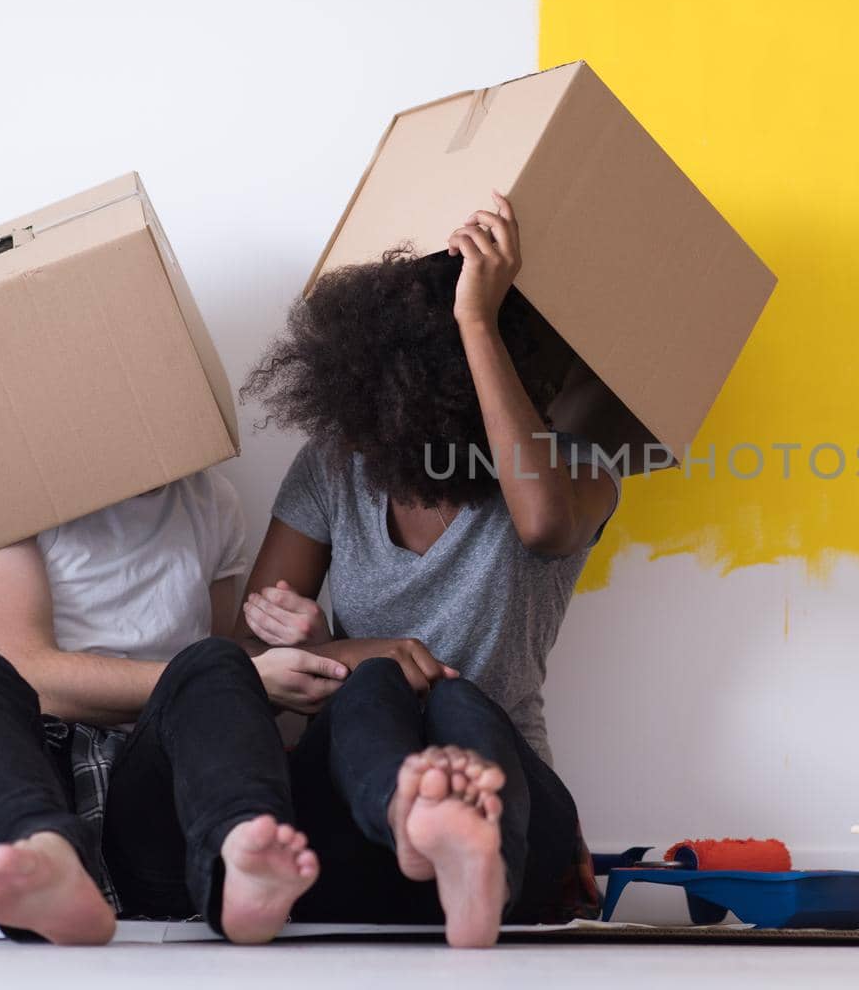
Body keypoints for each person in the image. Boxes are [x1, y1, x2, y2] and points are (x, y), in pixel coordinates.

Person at [237, 190, 619, 947]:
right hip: (353, 825)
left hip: (511, 807)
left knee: (460, 702)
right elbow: (249, 655)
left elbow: (543, 526)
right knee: (378, 682)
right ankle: (422, 823)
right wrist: (334, 651)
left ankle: (472, 851)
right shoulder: (333, 468)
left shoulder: (572, 467)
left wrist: (476, 319)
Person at [0, 469, 347, 943]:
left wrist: (283, 658)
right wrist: (250, 677)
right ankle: (40, 860)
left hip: (139, 806)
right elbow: (29, 674)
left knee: (218, 660)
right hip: (2, 787)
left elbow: (202, 685)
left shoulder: (211, 499)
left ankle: (244, 854)